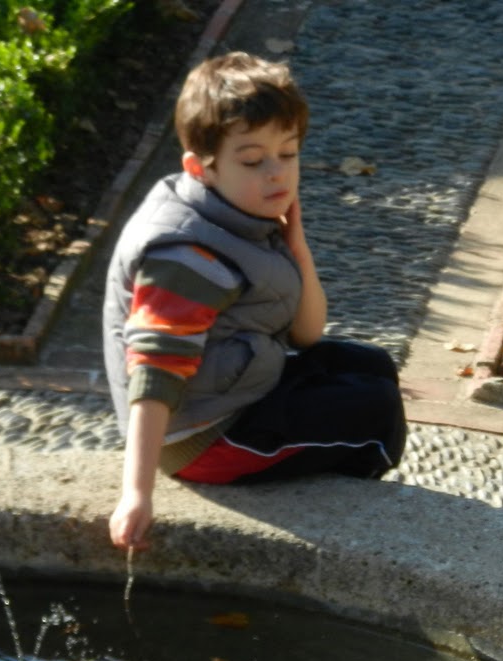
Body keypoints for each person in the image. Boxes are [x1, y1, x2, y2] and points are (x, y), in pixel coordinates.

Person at [102, 51, 407, 550]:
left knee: (370, 365)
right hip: (203, 437)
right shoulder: (186, 255)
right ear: (201, 169)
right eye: (252, 160)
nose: (276, 173)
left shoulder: (238, 214)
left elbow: (306, 334)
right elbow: (155, 371)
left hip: (236, 390)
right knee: (375, 412)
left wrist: (297, 248)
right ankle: (349, 522)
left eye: (288, 154)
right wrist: (136, 494)